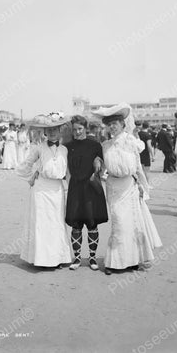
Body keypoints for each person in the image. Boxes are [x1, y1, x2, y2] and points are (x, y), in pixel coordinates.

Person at [92, 104, 162, 275]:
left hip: (129, 187)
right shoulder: (105, 145)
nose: (112, 127)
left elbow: (137, 167)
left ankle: (132, 260)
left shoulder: (131, 142)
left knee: (131, 224)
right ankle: (115, 262)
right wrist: (98, 166)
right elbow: (102, 167)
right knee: (119, 224)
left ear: (123, 124)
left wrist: (143, 187)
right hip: (113, 188)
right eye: (109, 124)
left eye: (115, 123)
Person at [16, 114, 72, 268]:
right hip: (41, 190)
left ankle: (58, 258)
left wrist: (71, 190)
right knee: (42, 224)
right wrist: (32, 175)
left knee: (56, 222)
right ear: (45, 132)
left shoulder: (65, 150)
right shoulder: (38, 148)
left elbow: (67, 172)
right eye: (49, 130)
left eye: (55, 129)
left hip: (57, 190)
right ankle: (41, 259)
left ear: (60, 131)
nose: (52, 132)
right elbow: (26, 164)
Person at [65, 115, 108, 271]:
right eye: (74, 129)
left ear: (85, 128)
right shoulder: (67, 146)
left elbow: (104, 167)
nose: (77, 132)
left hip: (91, 189)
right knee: (76, 225)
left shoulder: (95, 145)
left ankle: (92, 258)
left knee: (92, 224)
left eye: (80, 129)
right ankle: (76, 259)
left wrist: (99, 161)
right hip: (75, 188)